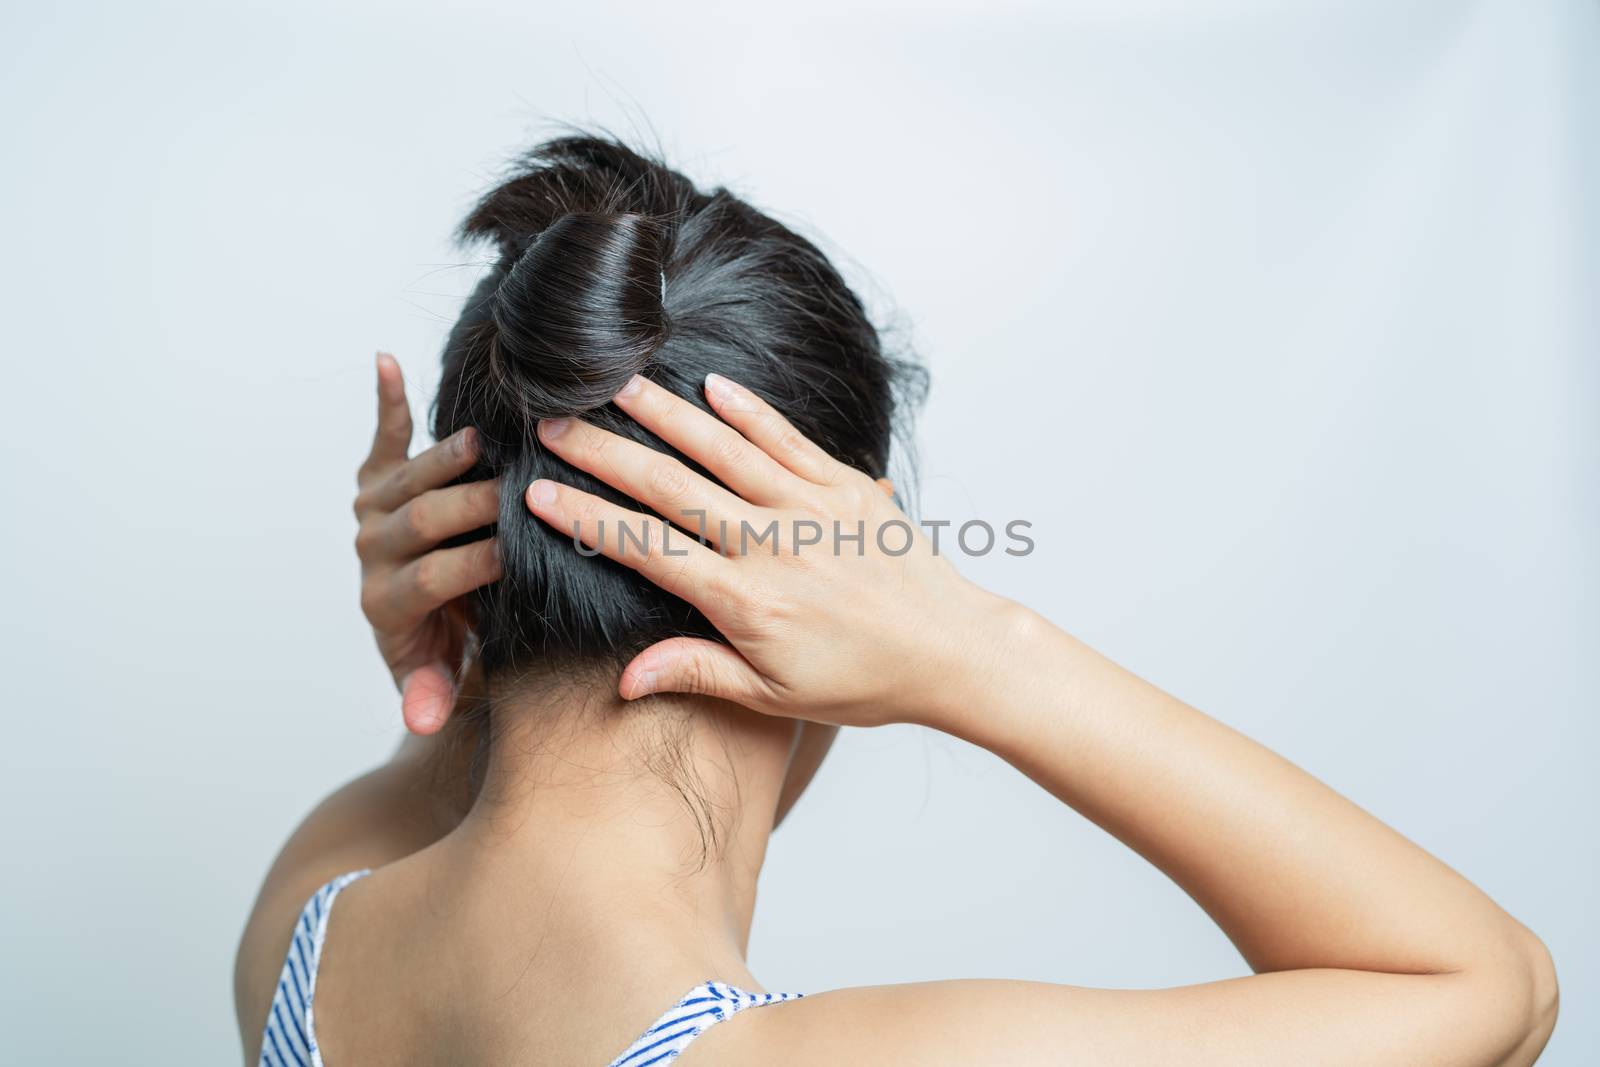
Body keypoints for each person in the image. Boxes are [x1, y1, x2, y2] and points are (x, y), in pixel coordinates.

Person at [233, 135, 1558, 1066]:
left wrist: (449, 657)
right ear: (833, 588)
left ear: (472, 576)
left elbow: (438, 770)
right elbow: (1492, 991)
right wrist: (973, 645)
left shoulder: (306, 950)